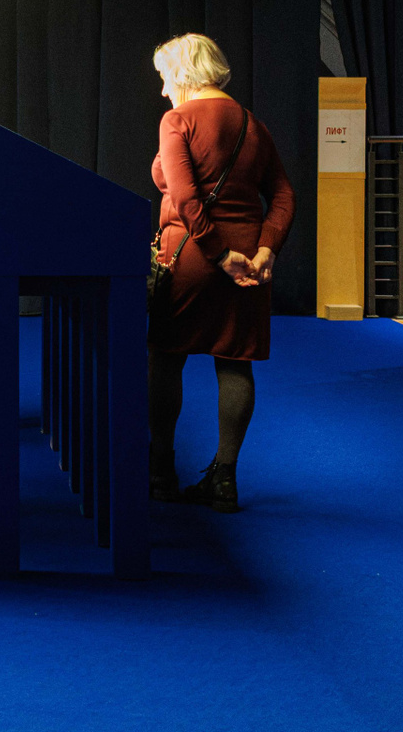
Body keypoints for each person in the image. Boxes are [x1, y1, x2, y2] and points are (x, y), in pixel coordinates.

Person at [148, 33, 295, 513]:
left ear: (183, 73)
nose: (164, 90)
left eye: (165, 78)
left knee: (165, 357)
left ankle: (160, 472)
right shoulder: (254, 125)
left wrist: (217, 253)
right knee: (235, 362)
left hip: (190, 257)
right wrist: (266, 247)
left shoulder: (178, 120)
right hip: (249, 261)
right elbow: (284, 195)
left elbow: (186, 199)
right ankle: (225, 479)